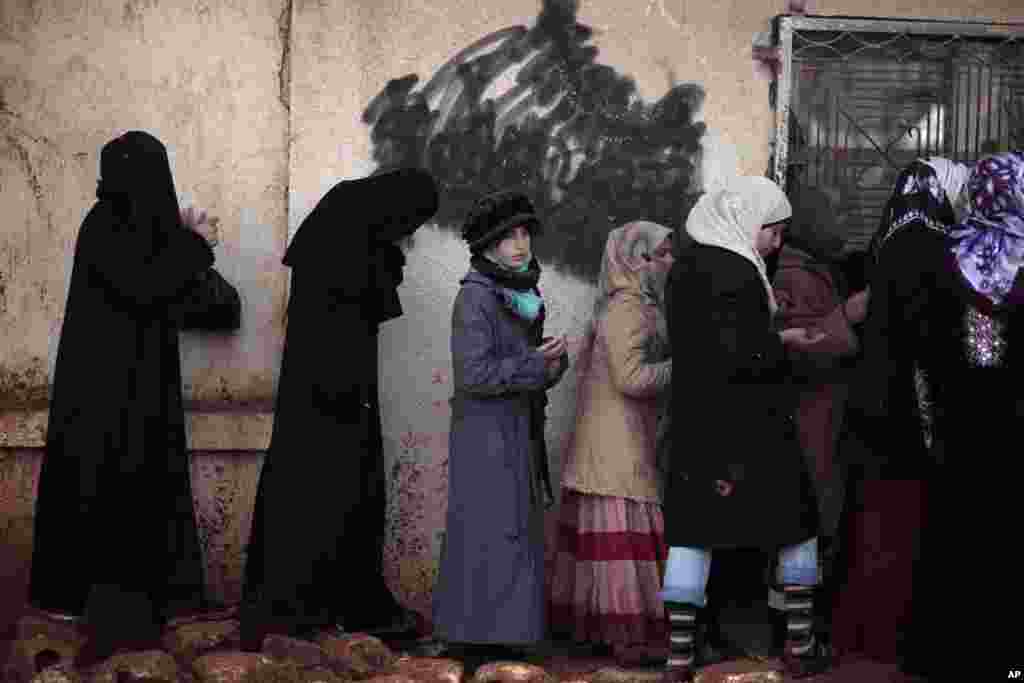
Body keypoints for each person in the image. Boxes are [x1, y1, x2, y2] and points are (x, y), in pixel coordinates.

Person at [29, 131, 217, 666]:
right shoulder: (110, 226)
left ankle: (136, 600)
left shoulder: (120, 223)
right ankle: (108, 608)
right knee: (114, 481)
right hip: (108, 396)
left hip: (126, 389)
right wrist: (196, 242)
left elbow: (162, 278)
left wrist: (183, 237)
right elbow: (147, 283)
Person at [240, 168, 439, 647]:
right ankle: (316, 608)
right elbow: (345, 325)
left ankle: (317, 607)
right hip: (334, 400)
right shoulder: (351, 244)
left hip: (329, 399)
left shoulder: (347, 229)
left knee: (328, 498)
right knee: (331, 497)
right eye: (409, 222)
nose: (408, 236)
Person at [854, 152, 1024, 680]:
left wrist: (929, 414)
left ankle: (944, 655)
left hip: (957, 420)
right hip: (1015, 423)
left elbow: (922, 344)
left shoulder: (941, 254)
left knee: (952, 533)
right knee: (1010, 538)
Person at [660, 176, 832, 681]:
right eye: (772, 231)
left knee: (692, 534)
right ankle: (800, 647)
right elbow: (744, 356)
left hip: (696, 426)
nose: (776, 243)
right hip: (751, 427)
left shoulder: (686, 267)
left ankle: (678, 658)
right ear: (745, 221)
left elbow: (707, 349)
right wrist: (784, 344)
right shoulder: (737, 272)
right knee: (797, 526)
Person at [831, 157, 968, 669]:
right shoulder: (935, 249)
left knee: (869, 519)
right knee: (904, 524)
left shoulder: (886, 243)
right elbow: (931, 341)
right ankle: (894, 634)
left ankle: (860, 631)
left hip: (870, 403)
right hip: (913, 410)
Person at [433, 191, 568, 670]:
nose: (519, 244)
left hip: (516, 429)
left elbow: (524, 369)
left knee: (513, 530)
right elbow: (474, 375)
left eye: (525, 233)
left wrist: (553, 363)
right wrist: (535, 364)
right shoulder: (476, 297)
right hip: (485, 435)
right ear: (487, 246)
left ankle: (506, 637)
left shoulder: (521, 293)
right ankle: (473, 638)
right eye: (508, 236)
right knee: (488, 531)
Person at [549, 221, 674, 667]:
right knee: (621, 536)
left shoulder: (628, 304)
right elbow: (631, 377)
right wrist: (682, 368)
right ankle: (626, 639)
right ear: (638, 261)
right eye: (662, 255)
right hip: (617, 443)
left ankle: (601, 636)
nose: (670, 262)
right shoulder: (629, 309)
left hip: (615, 441)